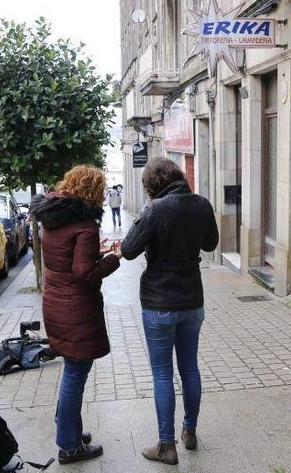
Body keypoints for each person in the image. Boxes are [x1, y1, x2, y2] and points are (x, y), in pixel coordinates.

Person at [121, 157, 219, 465]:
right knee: (189, 368)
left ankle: (166, 445)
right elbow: (211, 242)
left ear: (153, 184)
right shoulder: (201, 204)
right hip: (192, 300)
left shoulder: (155, 209)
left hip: (159, 303)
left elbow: (127, 249)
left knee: (163, 373)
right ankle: (189, 431)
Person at [30, 165, 122, 465]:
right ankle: (69, 446)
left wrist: (95, 251)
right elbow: (85, 274)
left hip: (55, 303)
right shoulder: (85, 225)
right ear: (92, 191)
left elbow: (67, 260)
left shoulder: (54, 218)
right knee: (75, 374)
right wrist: (113, 258)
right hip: (76, 308)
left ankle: (69, 430)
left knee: (71, 371)